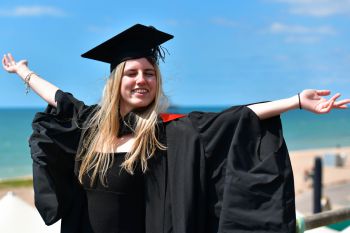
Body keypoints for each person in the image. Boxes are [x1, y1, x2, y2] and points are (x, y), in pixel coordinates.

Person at [2, 24, 350, 233]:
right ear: (116, 81)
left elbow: (235, 117)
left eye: (149, 73)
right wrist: (22, 72)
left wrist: (297, 101)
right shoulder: (90, 126)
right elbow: (60, 98)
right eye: (132, 73)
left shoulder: (170, 134)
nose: (141, 80)